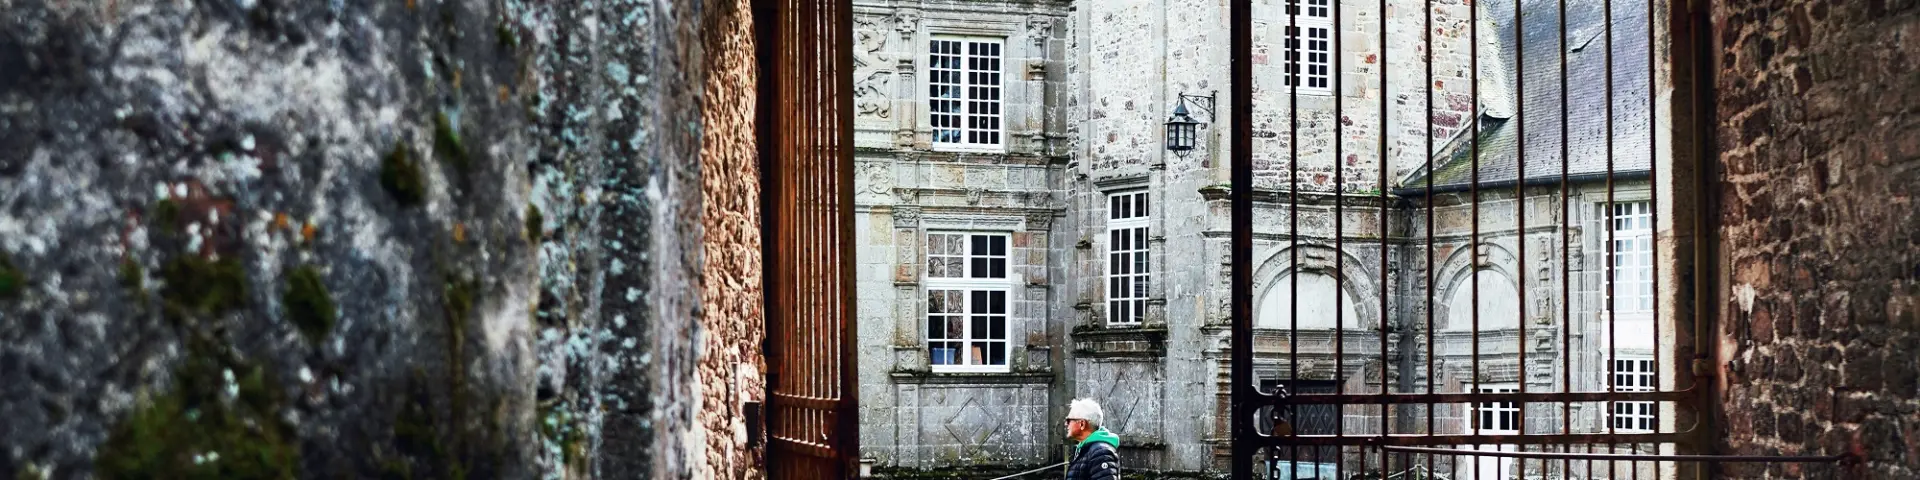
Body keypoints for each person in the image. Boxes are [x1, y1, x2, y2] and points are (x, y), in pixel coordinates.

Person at [1063, 398, 1120, 480]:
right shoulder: (1087, 450)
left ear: (1082, 424)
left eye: (1069, 420)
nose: (1066, 424)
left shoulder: (1100, 452)